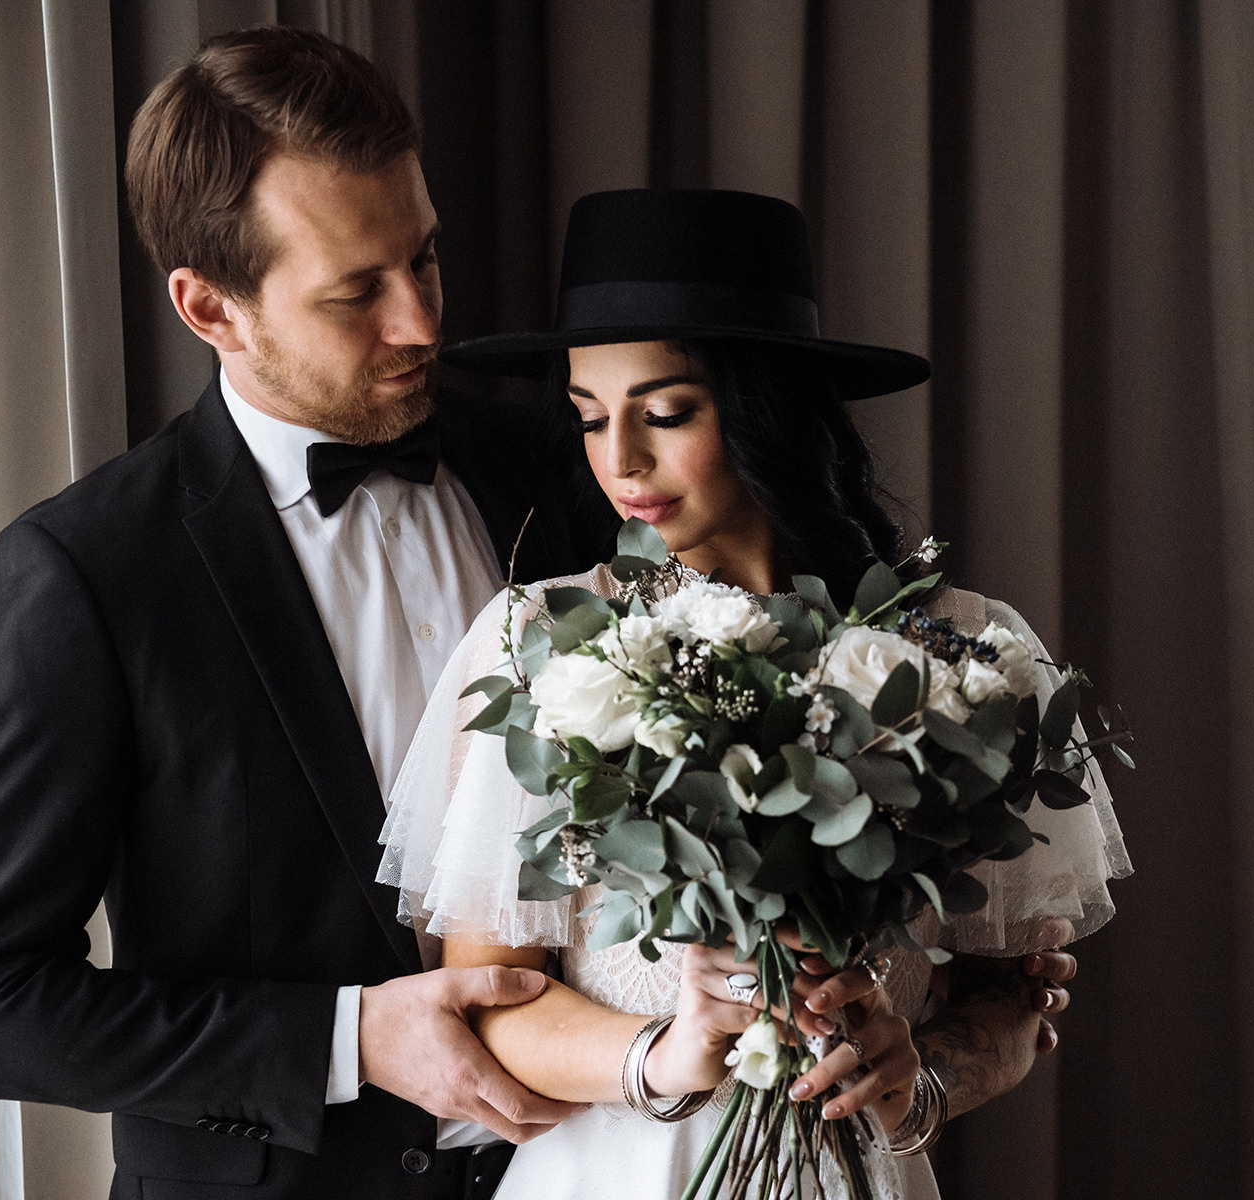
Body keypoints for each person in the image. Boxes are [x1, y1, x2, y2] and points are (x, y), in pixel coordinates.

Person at [0, 28, 611, 1200]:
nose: (420, 323)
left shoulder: (553, 463)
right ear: (208, 307)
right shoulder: (89, 572)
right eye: (355, 292)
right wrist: (349, 1037)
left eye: (425, 259)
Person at [378, 189, 1132, 1199]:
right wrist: (663, 1054)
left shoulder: (962, 654)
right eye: (591, 417)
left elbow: (1017, 1000)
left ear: (766, 404)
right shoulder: (545, 644)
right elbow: (487, 1001)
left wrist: (916, 1078)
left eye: (665, 413)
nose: (619, 460)